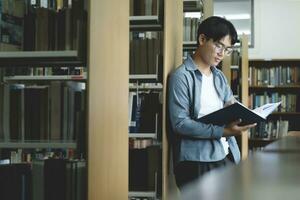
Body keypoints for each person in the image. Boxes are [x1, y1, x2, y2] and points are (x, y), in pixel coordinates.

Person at [167, 16, 256, 190]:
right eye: (218, 45)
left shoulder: (219, 77)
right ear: (202, 39)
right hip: (197, 160)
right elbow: (180, 123)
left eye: (227, 49)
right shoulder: (182, 77)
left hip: (226, 154)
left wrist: (246, 116)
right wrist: (222, 131)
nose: (222, 54)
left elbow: (231, 105)